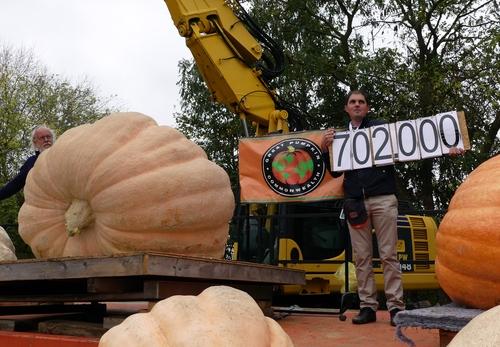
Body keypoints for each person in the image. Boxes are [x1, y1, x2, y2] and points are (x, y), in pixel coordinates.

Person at [321, 90, 464, 326]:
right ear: (346, 109)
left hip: (383, 199)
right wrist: (327, 150)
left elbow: (416, 141)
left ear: (367, 108)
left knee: (389, 255)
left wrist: (448, 146)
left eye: (361, 102)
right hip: (355, 201)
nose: (357, 105)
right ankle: (367, 307)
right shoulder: (339, 137)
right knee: (362, 257)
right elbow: (336, 171)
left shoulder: (382, 130)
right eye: (352, 102)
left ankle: (396, 307)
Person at [0, 125, 55, 201]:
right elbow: (16, 184)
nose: (46, 140)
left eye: (48, 137)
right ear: (35, 142)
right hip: (42, 205)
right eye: (42, 138)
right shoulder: (31, 162)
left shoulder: (65, 155)